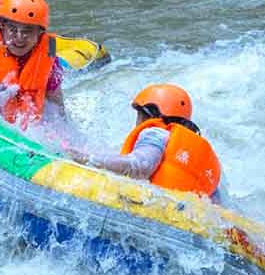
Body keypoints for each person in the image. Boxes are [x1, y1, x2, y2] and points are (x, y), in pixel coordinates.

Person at [68, 84, 223, 203]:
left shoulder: (155, 133)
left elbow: (140, 165)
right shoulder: (199, 151)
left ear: (148, 116)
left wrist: (88, 158)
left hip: (161, 213)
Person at [0, 0, 65, 128]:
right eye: (12, 29)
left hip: (26, 122)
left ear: (39, 34)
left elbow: (57, 108)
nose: (19, 37)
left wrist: (66, 139)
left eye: (27, 31)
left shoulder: (50, 62)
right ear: (2, 28)